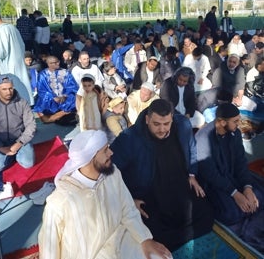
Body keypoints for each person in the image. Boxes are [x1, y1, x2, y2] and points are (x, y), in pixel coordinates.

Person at [39, 130, 172, 259]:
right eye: (105, 151)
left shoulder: (113, 174)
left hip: (120, 240)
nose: (111, 152)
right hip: (88, 254)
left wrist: (145, 239)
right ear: (90, 158)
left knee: (161, 257)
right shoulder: (60, 201)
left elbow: (128, 209)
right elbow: (50, 248)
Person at [111, 99, 214, 252]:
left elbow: (192, 148)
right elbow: (110, 173)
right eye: (156, 124)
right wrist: (129, 199)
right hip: (150, 194)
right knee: (156, 235)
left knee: (206, 214)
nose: (162, 129)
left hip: (179, 187)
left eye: (166, 124)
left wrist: (192, 175)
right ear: (147, 119)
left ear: (172, 118)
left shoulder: (183, 126)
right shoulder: (129, 139)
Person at [195, 103, 264, 253]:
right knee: (231, 214)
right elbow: (210, 174)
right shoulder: (203, 139)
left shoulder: (235, 133)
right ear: (221, 122)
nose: (239, 124)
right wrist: (235, 194)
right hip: (214, 183)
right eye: (235, 121)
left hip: (232, 176)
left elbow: (240, 162)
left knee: (258, 195)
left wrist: (247, 188)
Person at [0, 75, 35, 174]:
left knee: (28, 163)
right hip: (0, 144)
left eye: (10, 88)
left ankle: (14, 154)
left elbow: (31, 125)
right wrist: (0, 147)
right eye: (4, 89)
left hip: (20, 141)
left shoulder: (22, 103)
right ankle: (10, 156)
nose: (8, 92)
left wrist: (19, 143)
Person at [0, 10, 34, 105]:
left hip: (8, 63)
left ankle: (17, 104)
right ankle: (27, 101)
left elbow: (1, 52)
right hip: (19, 59)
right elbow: (22, 45)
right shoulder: (13, 27)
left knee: (11, 83)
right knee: (22, 81)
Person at [34, 55, 78, 123]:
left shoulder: (66, 72)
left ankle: (59, 115)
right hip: (51, 98)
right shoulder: (43, 75)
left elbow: (72, 86)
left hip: (64, 98)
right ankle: (61, 114)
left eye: (58, 61)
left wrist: (65, 95)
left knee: (74, 98)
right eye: (55, 62)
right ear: (49, 64)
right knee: (43, 99)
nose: (58, 64)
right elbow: (42, 90)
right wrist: (53, 97)